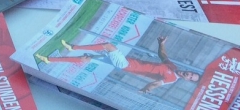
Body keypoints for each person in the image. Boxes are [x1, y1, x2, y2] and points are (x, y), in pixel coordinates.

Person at [38, 36, 200, 93]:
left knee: (108, 46)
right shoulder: (173, 67)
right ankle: (49, 60)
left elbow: (156, 84)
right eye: (191, 73)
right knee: (86, 58)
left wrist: (146, 89)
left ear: (187, 80)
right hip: (126, 62)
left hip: (126, 65)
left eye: (190, 78)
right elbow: (163, 55)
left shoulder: (172, 79)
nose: (189, 75)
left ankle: (72, 47)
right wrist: (161, 43)